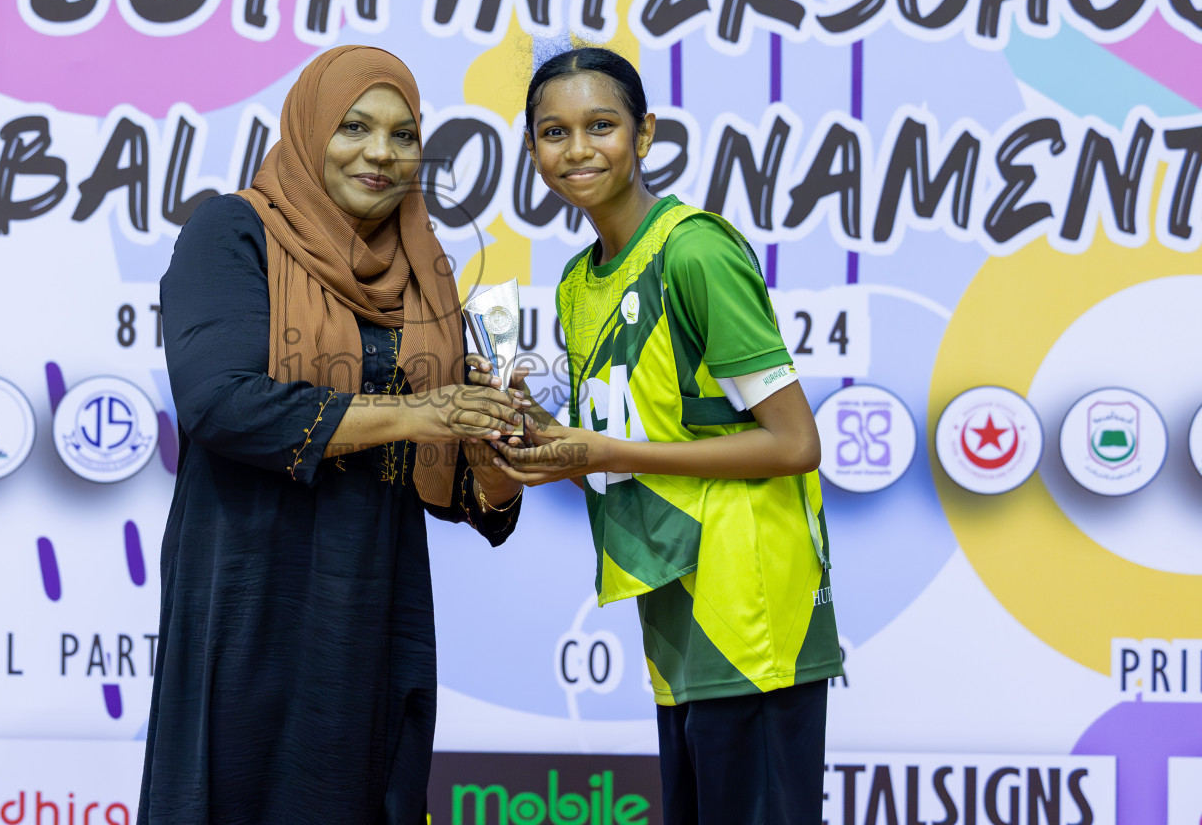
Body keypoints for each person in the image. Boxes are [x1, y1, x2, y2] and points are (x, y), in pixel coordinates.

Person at [136, 45, 526, 825]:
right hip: (253, 590)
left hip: (375, 598)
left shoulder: (425, 271)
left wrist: (495, 440)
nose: (380, 153)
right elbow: (220, 402)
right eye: (354, 126)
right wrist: (425, 411)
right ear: (309, 128)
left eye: (403, 135)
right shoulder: (234, 231)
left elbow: (459, 490)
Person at [484, 47, 841, 824]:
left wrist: (606, 451)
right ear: (532, 148)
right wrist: (549, 443)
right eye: (554, 132)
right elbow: (628, 457)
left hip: (750, 605)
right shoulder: (582, 281)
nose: (577, 150)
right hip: (675, 606)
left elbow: (793, 444)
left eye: (601, 125)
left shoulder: (695, 251)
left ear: (644, 134)